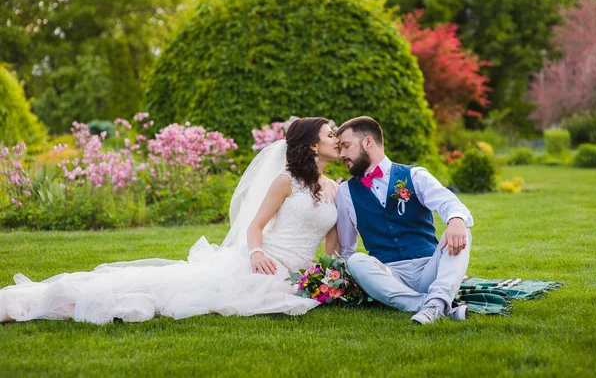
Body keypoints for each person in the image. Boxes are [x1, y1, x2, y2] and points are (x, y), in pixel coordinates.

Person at [0, 117, 341, 324]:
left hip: (301, 273)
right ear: (312, 144)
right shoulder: (285, 182)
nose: (337, 138)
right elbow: (254, 225)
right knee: (175, 292)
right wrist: (255, 253)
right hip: (265, 265)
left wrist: (333, 276)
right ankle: (51, 298)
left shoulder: (334, 188)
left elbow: (332, 245)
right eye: (330, 134)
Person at [335, 116, 473, 324]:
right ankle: (435, 305)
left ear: (368, 142)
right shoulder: (345, 192)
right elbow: (346, 248)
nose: (341, 155)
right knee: (355, 261)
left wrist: (455, 221)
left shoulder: (415, 175)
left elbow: (449, 203)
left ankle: (433, 303)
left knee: (461, 230)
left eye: (346, 146)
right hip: (389, 276)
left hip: (429, 269)